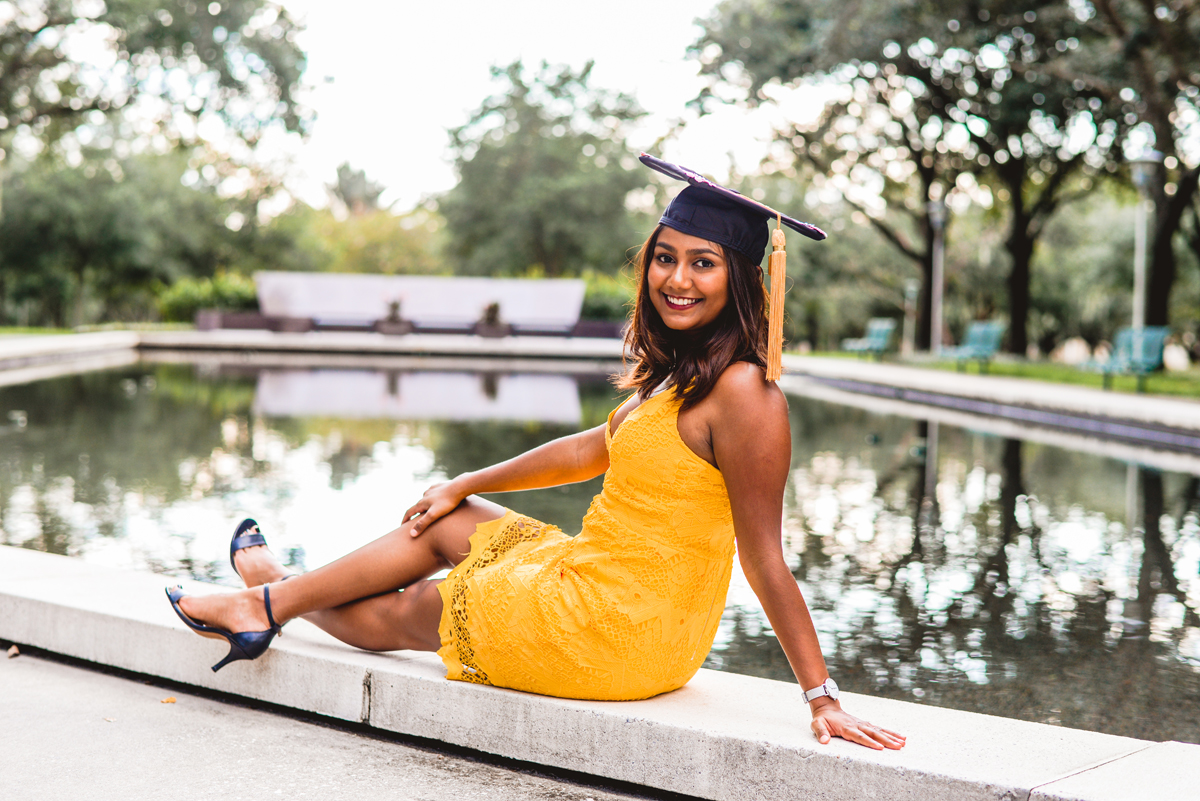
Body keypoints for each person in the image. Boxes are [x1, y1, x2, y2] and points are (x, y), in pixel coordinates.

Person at [167, 155, 905, 751]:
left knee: (409, 612)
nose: (677, 279)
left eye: (703, 263)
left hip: (618, 630)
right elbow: (593, 446)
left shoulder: (747, 393)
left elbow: (765, 557)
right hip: (600, 582)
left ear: (740, 277)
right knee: (441, 520)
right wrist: (466, 479)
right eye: (666, 258)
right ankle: (273, 592)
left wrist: (822, 694)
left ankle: (264, 601)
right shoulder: (683, 372)